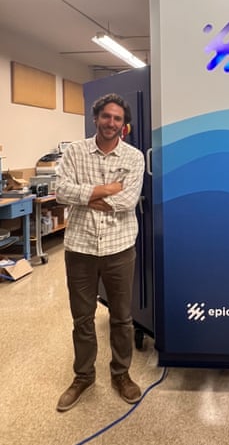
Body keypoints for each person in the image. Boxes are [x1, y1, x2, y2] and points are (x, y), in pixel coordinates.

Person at [55, 93, 145, 412]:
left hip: (119, 248)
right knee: (82, 318)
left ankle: (121, 374)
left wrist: (86, 195)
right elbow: (61, 191)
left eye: (117, 118)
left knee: (121, 317)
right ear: (96, 118)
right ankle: (83, 376)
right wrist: (106, 189)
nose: (111, 123)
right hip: (79, 248)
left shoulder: (134, 158)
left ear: (124, 124)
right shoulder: (75, 152)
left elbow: (128, 201)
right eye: (106, 116)